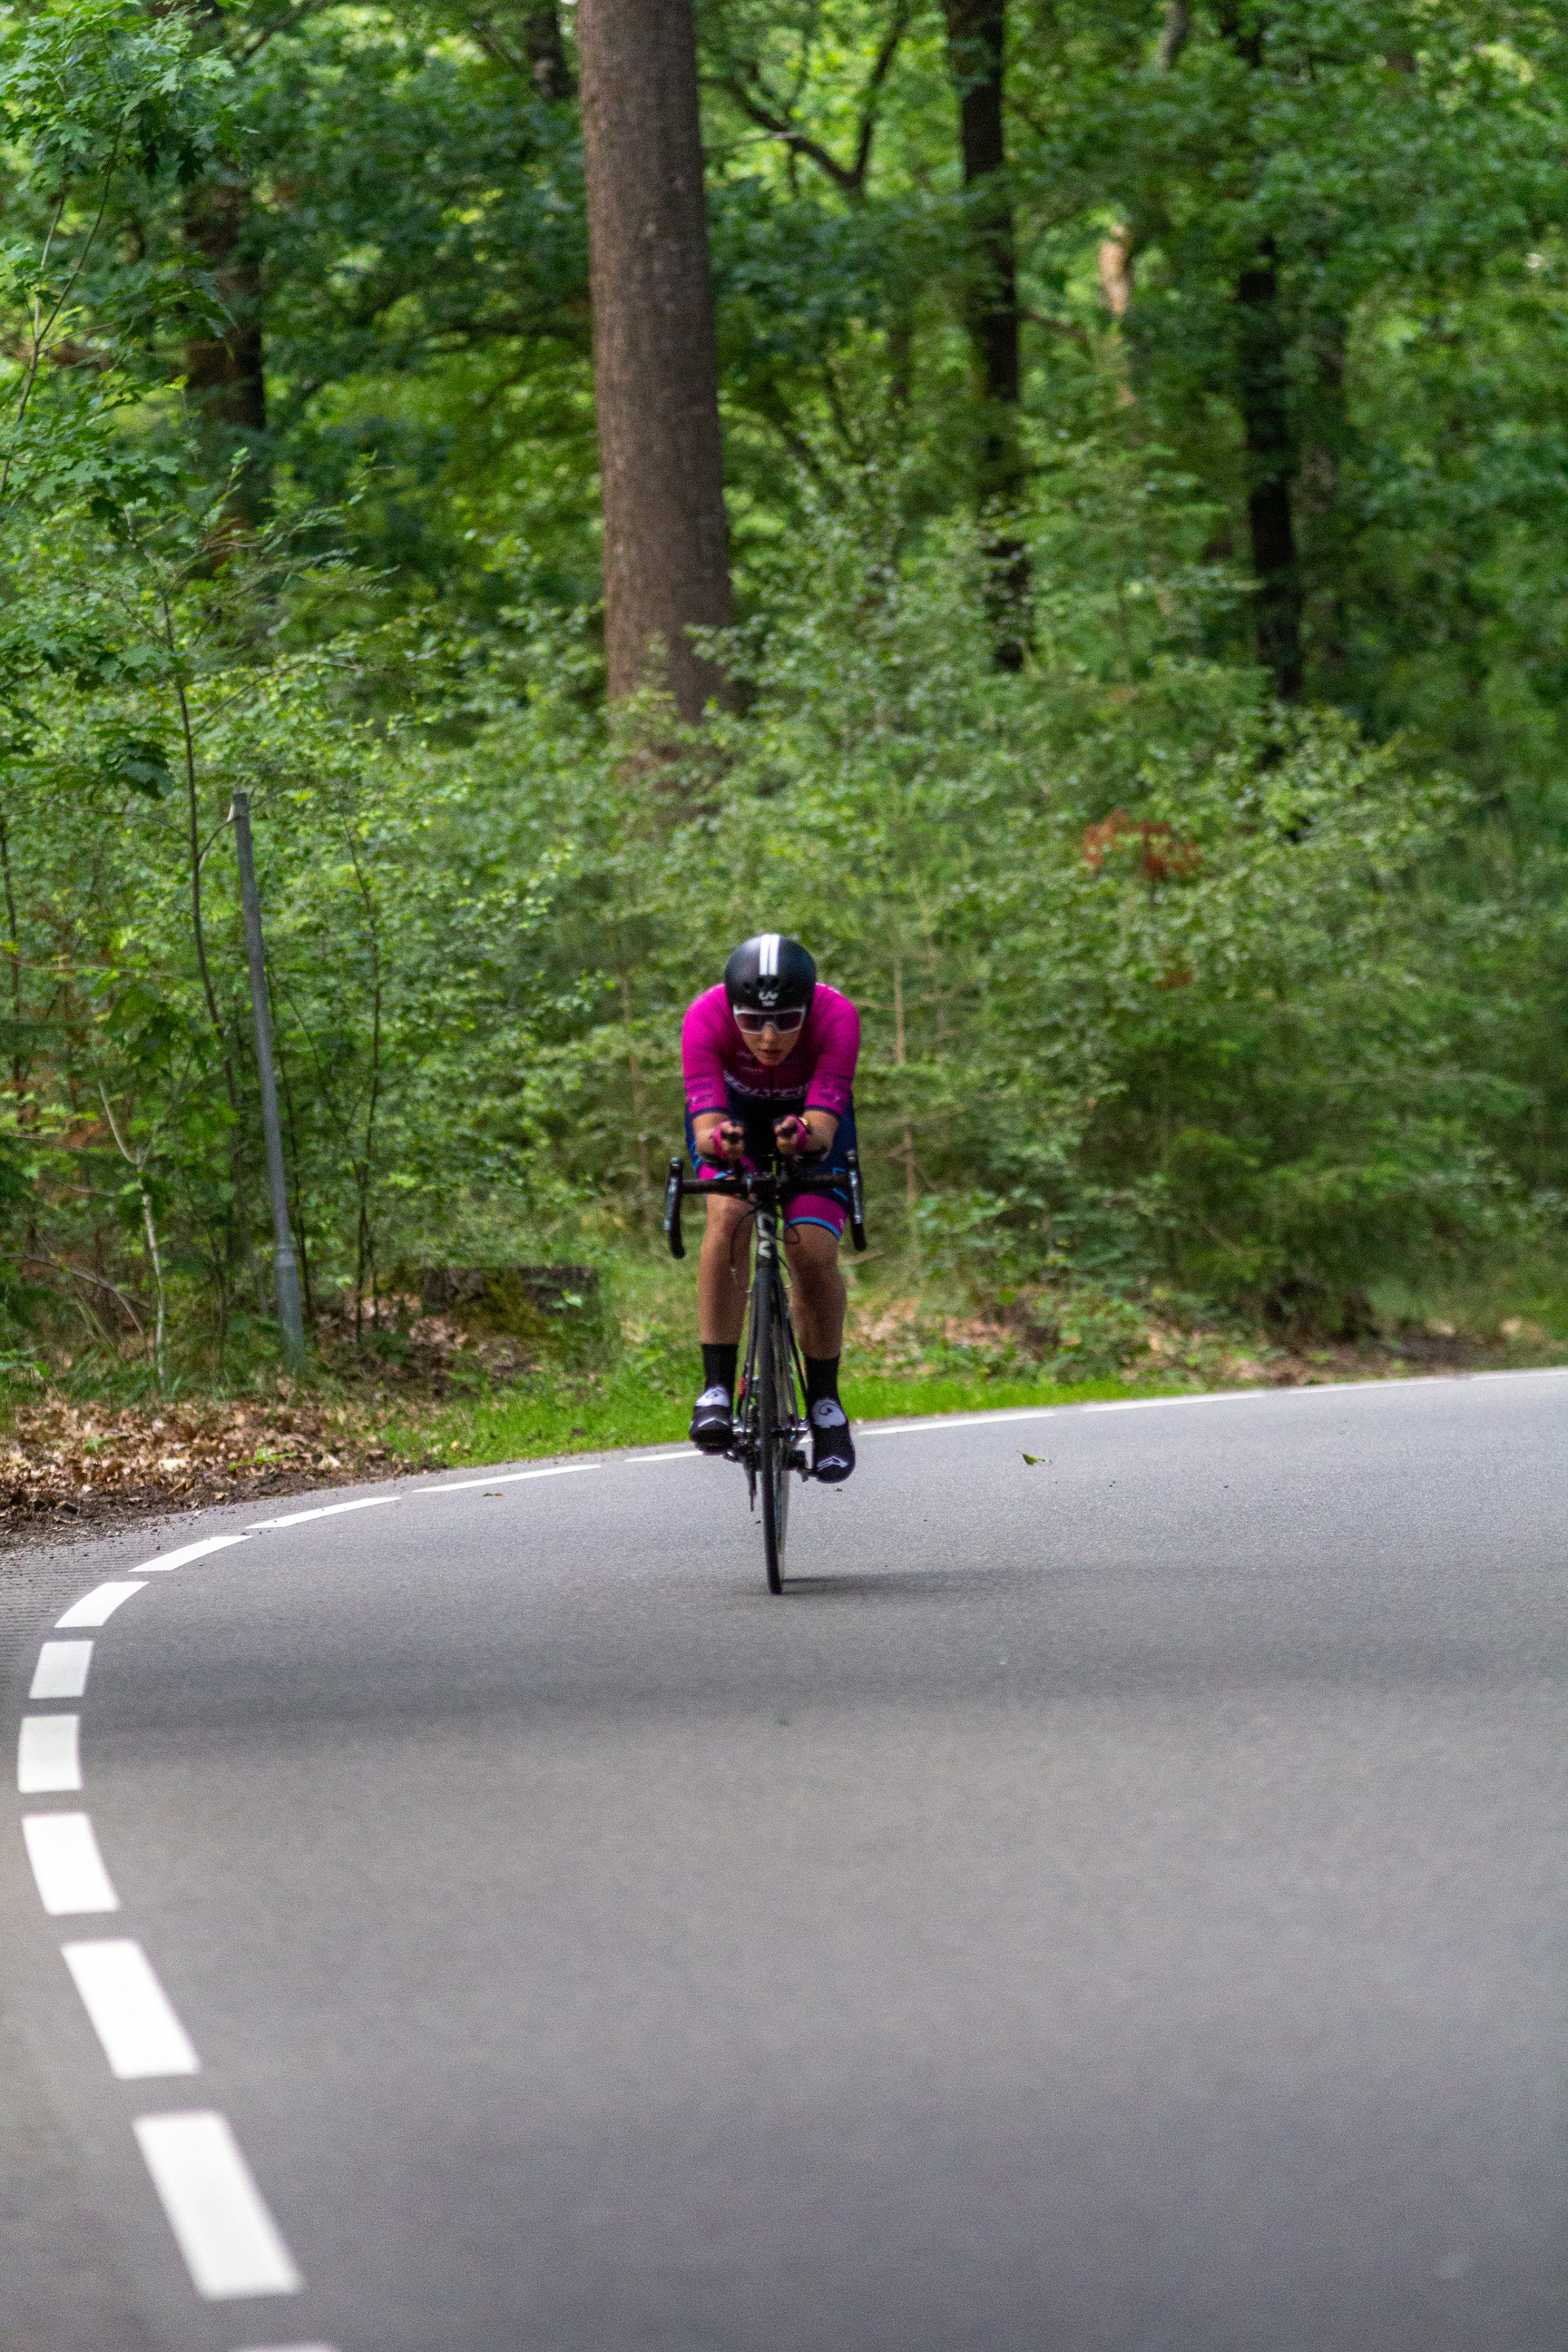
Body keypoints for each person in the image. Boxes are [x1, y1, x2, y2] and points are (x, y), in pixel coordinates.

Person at [681, 935, 858, 1482]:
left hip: (810, 1130)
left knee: (811, 1251)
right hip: (735, 1126)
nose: (769, 1036)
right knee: (729, 1217)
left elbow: (823, 1128)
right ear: (730, 1009)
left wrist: (801, 1135)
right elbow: (706, 1129)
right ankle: (715, 1386)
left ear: (808, 1006)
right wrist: (724, 1143)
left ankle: (826, 1406)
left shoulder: (837, 1017)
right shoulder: (704, 1018)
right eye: (752, 1020)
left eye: (785, 1019)